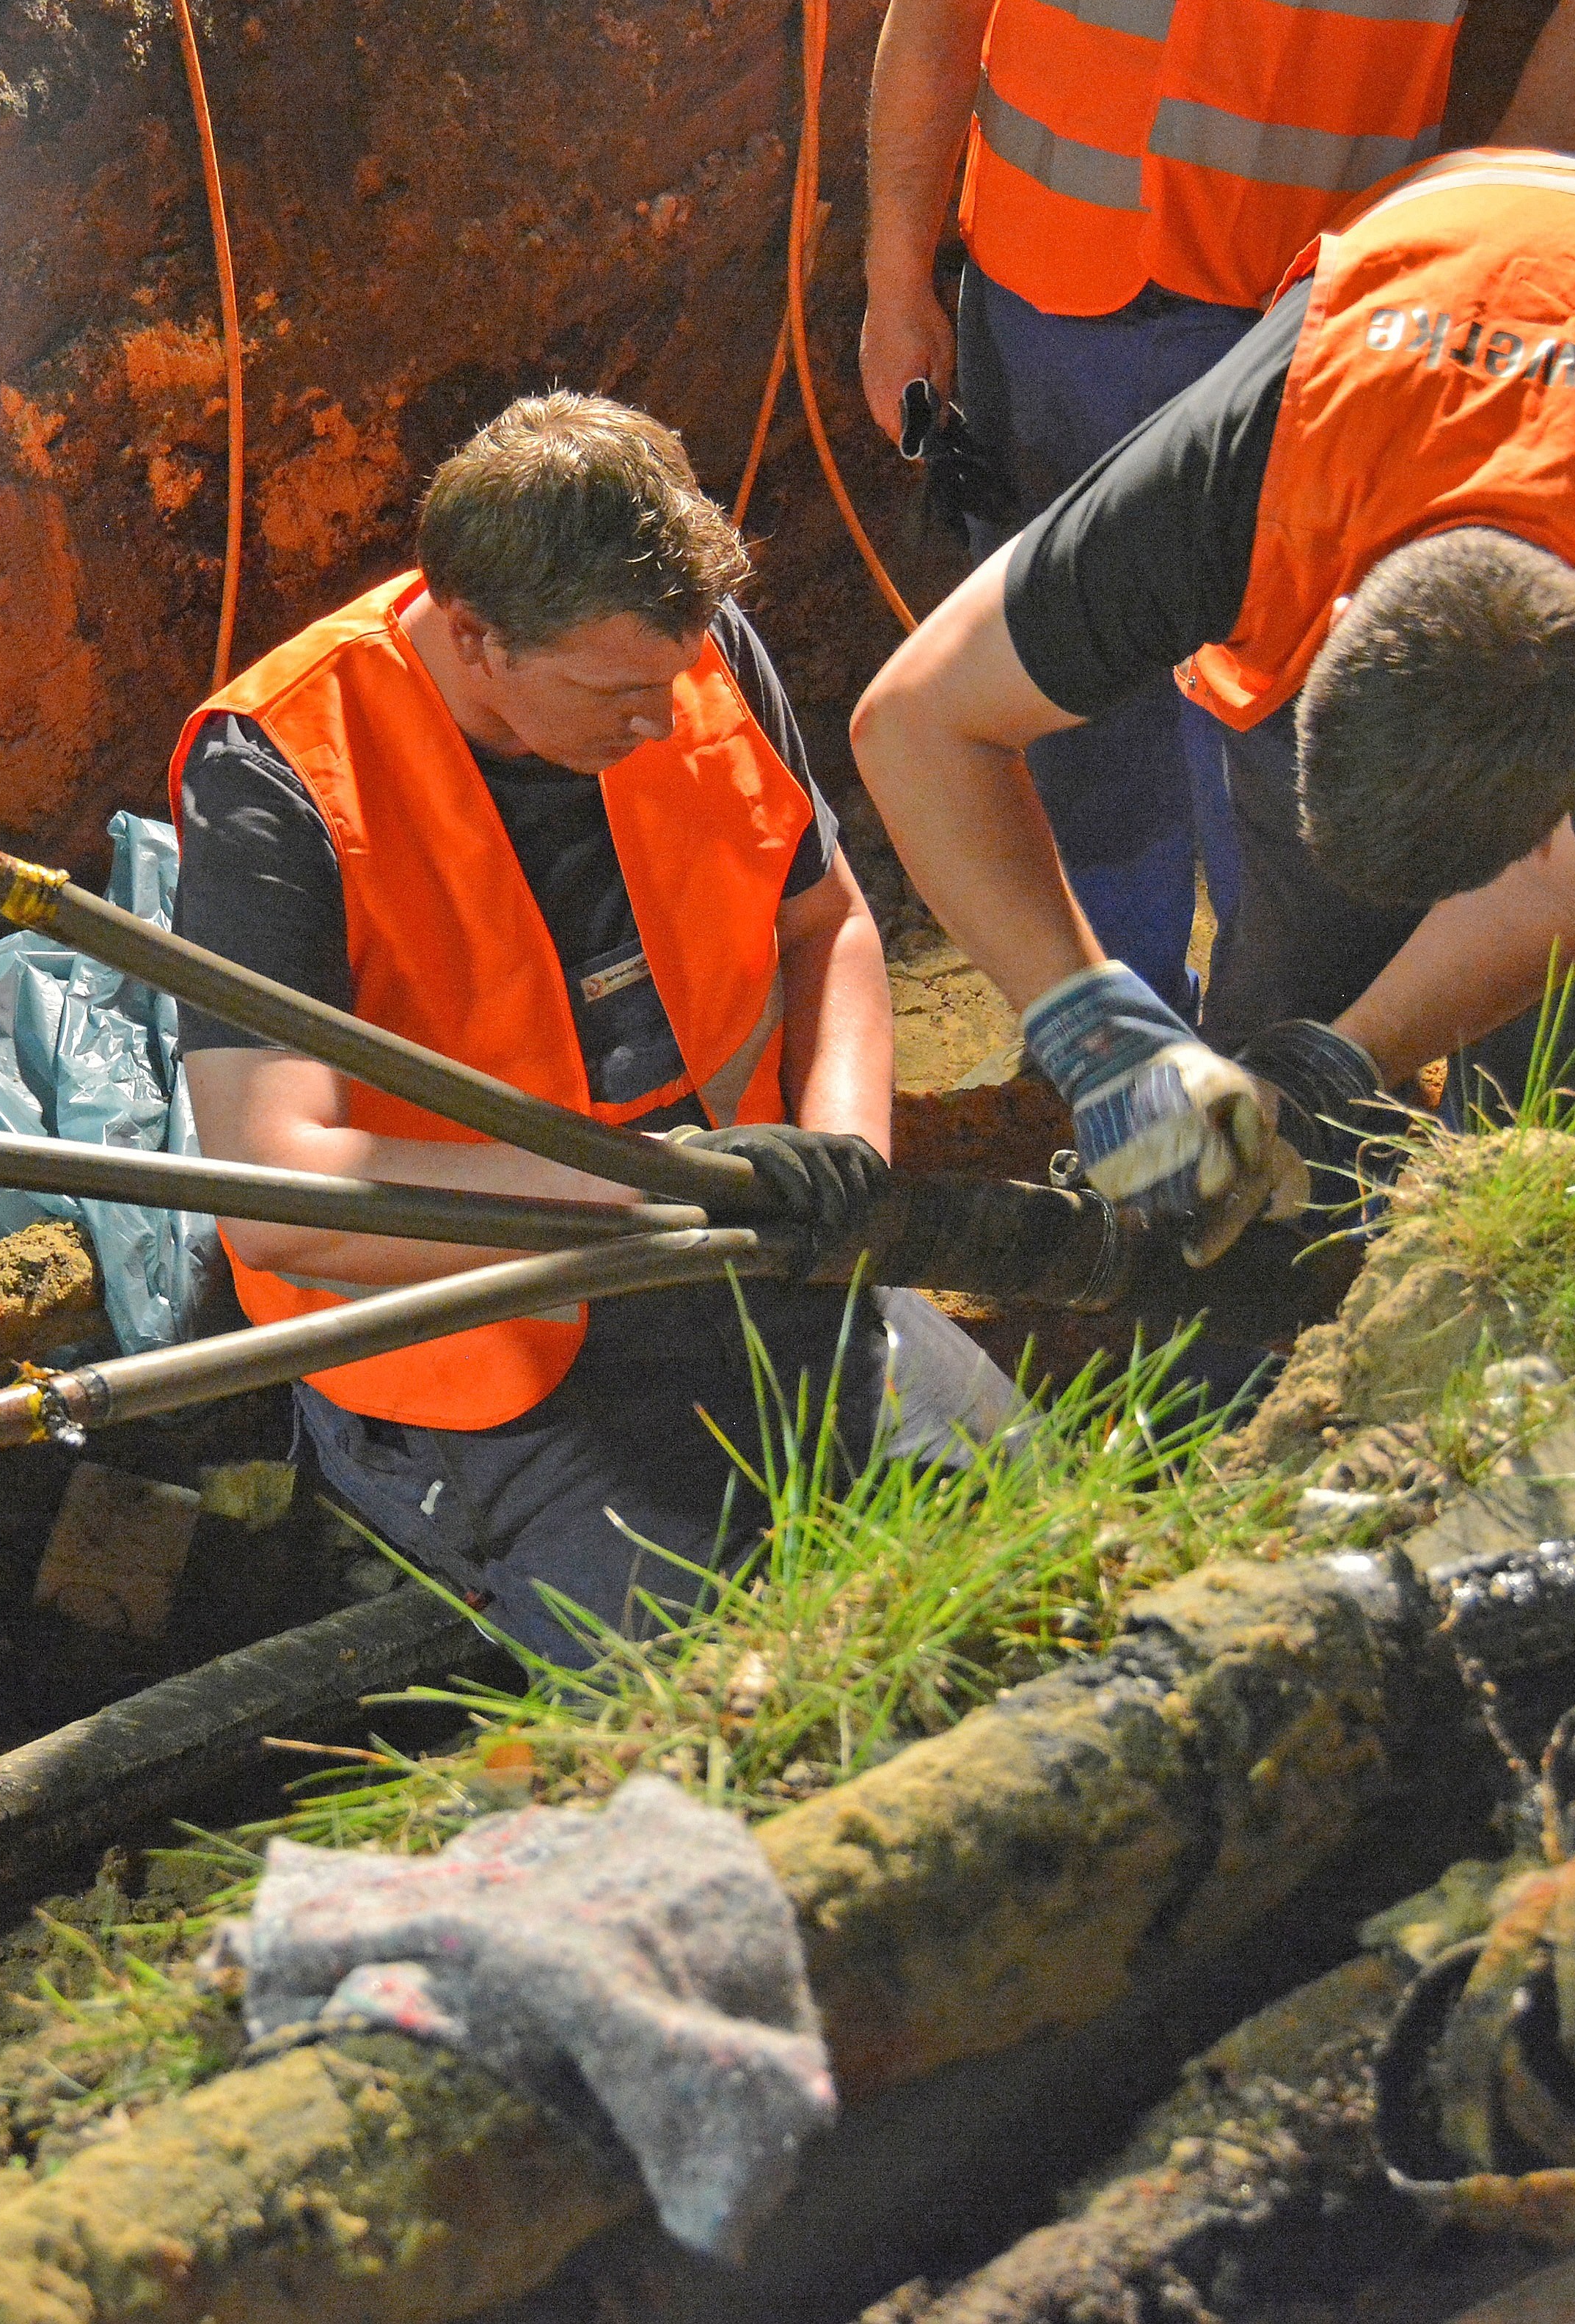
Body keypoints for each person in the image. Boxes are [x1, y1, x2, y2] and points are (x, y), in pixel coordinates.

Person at [852, 151, 1575, 1263]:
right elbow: (915, 723)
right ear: (1327, 635)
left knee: (1566, 1069)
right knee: (1293, 964)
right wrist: (1100, 1038)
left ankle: (1538, 1305)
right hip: (1430, 291)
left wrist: (1341, 1062)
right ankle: (1248, 1355)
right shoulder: (1253, 468)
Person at [171, 393, 1017, 1659]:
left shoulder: (678, 644)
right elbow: (280, 1198)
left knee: (1038, 1541)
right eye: (619, 692)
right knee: (750, 1686)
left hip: (750, 1241)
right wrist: (643, 1191)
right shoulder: (279, 774)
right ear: (475, 636)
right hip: (491, 1335)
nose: (666, 720)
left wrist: (848, 1161)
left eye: (676, 676)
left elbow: (823, 920)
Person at [856, 0, 1575, 1019]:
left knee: (1272, 744)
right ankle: (1118, 1051)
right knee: (1062, 707)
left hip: (1299, 337)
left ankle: (1286, 1084)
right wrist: (895, 281)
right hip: (1040, 299)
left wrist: (1460, 224)